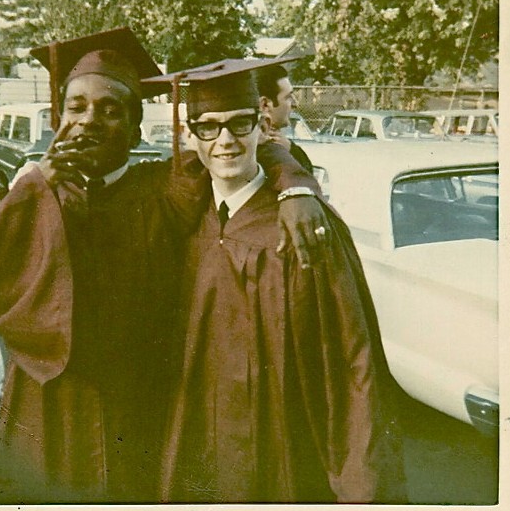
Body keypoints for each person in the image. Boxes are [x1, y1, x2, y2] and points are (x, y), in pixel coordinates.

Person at [0, 29, 327, 503]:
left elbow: (245, 147)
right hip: (49, 413)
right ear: (58, 118)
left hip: (142, 410)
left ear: (134, 128)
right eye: (78, 107)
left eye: (112, 110)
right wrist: (40, 183)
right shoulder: (17, 201)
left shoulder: (163, 191)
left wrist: (295, 184)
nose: (92, 120)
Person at [147, 62, 409, 503]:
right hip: (201, 441)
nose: (225, 140)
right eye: (208, 128)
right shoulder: (184, 216)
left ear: (261, 125)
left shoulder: (304, 229)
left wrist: (360, 482)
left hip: (282, 442)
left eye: (239, 124)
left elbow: (348, 361)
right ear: (190, 135)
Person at [257, 63, 314, 173]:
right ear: (265, 105)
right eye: (288, 97)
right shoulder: (261, 154)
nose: (295, 104)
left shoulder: (285, 146)